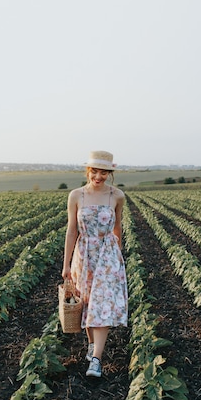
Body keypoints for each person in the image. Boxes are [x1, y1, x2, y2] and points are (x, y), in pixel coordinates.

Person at [61, 150, 128, 378]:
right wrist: (67, 264)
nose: (98, 176)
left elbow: (118, 228)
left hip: (108, 255)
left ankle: (96, 360)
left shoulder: (117, 196)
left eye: (103, 172)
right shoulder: (76, 195)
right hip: (84, 253)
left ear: (110, 173)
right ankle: (91, 346)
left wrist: (116, 257)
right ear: (88, 171)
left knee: (103, 304)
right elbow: (71, 231)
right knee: (89, 302)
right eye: (94, 171)